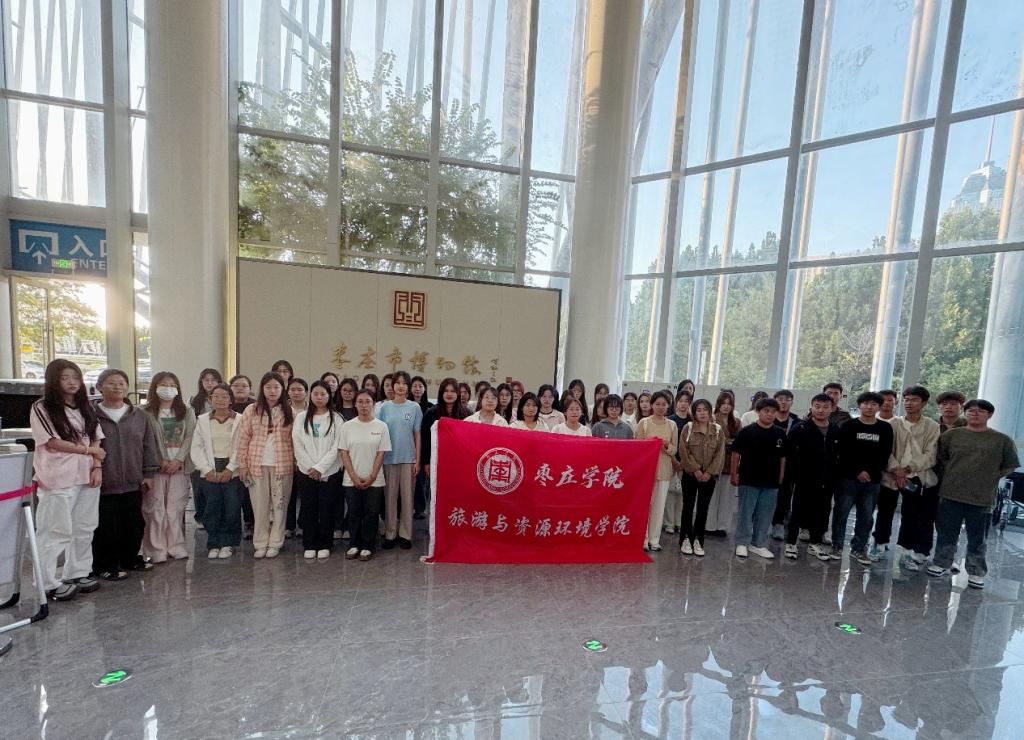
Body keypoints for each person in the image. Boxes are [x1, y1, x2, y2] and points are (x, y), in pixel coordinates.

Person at [30, 360, 105, 601]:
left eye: (75, 377)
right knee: (54, 530)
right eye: (65, 378)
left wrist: (97, 466)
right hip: (58, 477)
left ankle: (77, 572)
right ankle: (47, 583)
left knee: (84, 527)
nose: (72, 382)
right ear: (54, 380)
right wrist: (88, 451)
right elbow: (52, 441)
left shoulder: (85, 406)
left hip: (86, 474)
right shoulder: (42, 407)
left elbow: (96, 436)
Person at [926, 399, 1020, 589]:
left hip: (982, 497)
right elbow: (941, 458)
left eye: (980, 411)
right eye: (970, 410)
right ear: (965, 413)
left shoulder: (1001, 440)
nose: (974, 413)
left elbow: (1009, 465)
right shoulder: (952, 435)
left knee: (978, 537)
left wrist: (990, 476)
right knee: (946, 533)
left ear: (989, 414)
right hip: (951, 492)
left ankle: (976, 571)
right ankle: (942, 562)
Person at [92, 368, 160, 580]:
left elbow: (149, 445)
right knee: (106, 526)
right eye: (112, 383)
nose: (118, 387)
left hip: (133, 479)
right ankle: (105, 565)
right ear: (100, 387)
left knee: (134, 523)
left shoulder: (139, 415)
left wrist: (148, 473)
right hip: (104, 481)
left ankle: (130, 559)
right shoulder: (91, 415)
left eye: (122, 383)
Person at [870, 385, 940, 565]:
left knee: (911, 514)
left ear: (924, 403)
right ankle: (879, 544)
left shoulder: (932, 426)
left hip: (916, 477)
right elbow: (885, 451)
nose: (909, 403)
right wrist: (896, 470)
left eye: (914, 400)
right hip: (890, 476)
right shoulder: (892, 424)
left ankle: (906, 550)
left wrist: (908, 470)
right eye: (906, 399)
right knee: (885, 511)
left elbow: (931, 455)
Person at [828, 391, 894, 566]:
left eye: (873, 404)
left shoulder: (885, 428)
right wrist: (858, 471)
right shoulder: (849, 426)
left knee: (866, 516)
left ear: (879, 407)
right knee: (841, 513)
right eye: (865, 403)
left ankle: (859, 548)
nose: (869, 407)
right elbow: (843, 452)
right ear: (859, 406)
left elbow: (885, 453)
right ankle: (837, 545)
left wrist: (870, 472)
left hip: (872, 480)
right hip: (848, 478)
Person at [236, 372, 295, 559]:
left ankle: (276, 542)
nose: (272, 391)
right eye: (268, 387)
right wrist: (242, 465)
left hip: (283, 464)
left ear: (283, 389)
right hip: (256, 464)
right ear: (262, 388)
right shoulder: (251, 409)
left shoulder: (290, 411)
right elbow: (243, 438)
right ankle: (260, 542)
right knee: (259, 506)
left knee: (279, 505)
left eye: (276, 387)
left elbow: (295, 440)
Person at [143, 372, 196, 563]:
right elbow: (145, 440)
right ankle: (156, 549)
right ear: (155, 387)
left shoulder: (187, 411)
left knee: (175, 508)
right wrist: (161, 460)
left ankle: (176, 545)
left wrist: (178, 460)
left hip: (180, 467)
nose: (168, 388)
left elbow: (190, 436)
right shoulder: (145, 412)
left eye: (173, 385)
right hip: (156, 468)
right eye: (164, 384)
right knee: (155, 508)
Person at [292, 381, 345, 560]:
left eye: (323, 394)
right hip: (306, 471)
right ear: (310, 395)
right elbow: (297, 444)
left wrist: (320, 467)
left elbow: (337, 446)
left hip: (329, 471)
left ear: (329, 396)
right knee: (308, 507)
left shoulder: (336, 418)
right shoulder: (301, 417)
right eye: (316, 394)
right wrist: (311, 467)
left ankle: (325, 543)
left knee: (327, 508)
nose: (319, 397)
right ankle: (309, 543)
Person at [785, 394, 841, 560]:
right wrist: (792, 477)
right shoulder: (800, 428)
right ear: (811, 407)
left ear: (831, 409)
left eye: (825, 407)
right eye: (817, 406)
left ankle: (815, 543)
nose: (821, 410)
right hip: (804, 479)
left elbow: (839, 456)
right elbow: (789, 454)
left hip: (827, 480)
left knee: (822, 512)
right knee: (798, 511)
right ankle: (791, 543)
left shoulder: (835, 430)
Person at [191, 383, 243, 559]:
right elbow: (197, 447)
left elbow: (242, 445)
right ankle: (214, 542)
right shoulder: (202, 420)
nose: (220, 400)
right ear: (210, 399)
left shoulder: (240, 419)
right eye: (216, 396)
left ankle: (228, 543)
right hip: (210, 468)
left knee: (232, 507)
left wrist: (230, 468)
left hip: (232, 468)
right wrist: (206, 470)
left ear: (231, 400)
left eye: (224, 396)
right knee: (211, 507)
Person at [730, 397, 786, 560]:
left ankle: (758, 543)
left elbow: (783, 457)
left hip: (771, 481)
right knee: (745, 513)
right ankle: (742, 542)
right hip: (749, 479)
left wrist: (781, 476)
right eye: (766, 411)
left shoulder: (779, 433)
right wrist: (734, 474)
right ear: (758, 412)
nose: (770, 414)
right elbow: (735, 453)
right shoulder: (747, 431)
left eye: (773, 411)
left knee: (765, 514)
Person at [341, 389, 392, 561]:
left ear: (373, 404)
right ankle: (354, 544)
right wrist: (354, 476)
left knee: (371, 513)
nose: (364, 405)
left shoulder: (381, 426)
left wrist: (372, 476)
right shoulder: (347, 426)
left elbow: (381, 453)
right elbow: (343, 452)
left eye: (368, 401)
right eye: (360, 402)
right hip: (351, 479)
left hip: (374, 479)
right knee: (354, 512)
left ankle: (368, 545)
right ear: (355, 404)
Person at [377, 370, 423, 550]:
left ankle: (405, 535)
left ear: (408, 387)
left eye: (405, 383)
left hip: (408, 459)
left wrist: (417, 460)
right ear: (392, 385)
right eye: (398, 382)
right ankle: (390, 534)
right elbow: (379, 434)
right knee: (389, 498)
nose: (401, 386)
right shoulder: (384, 408)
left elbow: (417, 434)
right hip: (388, 459)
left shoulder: (414, 407)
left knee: (407, 499)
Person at [677, 399, 725, 556]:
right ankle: (685, 538)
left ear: (710, 411)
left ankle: (698, 540)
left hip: (709, 476)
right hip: (691, 475)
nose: (702, 413)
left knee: (703, 509)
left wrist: (709, 472)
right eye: (699, 410)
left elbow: (720, 454)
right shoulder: (688, 428)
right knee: (688, 506)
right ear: (694, 412)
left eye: (705, 410)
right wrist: (695, 469)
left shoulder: (717, 430)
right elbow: (683, 451)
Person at [635, 390, 677, 552]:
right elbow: (636, 446)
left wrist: (666, 445)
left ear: (668, 406)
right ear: (652, 405)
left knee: (659, 507)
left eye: (664, 404)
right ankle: (643, 538)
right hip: (646, 471)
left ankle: (654, 539)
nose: (660, 407)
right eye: (657, 404)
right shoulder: (644, 423)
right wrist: (649, 443)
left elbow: (674, 450)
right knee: (646, 505)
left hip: (664, 470)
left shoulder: (672, 425)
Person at [188, 368, 223, 527]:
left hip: (219, 448)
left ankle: (218, 516)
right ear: (201, 382)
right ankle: (200, 517)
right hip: (199, 448)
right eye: (206, 380)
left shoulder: (224, 398)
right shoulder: (194, 401)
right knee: (199, 485)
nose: (210, 383)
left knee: (218, 485)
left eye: (213, 380)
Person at [705, 391, 740, 536]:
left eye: (729, 404)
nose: (726, 407)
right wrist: (728, 442)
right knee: (712, 496)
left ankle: (722, 526)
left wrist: (728, 442)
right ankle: (709, 526)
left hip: (730, 463)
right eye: (723, 403)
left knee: (727, 497)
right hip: (714, 462)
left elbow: (739, 443)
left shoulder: (736, 422)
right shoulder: (712, 420)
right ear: (718, 405)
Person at [421, 378, 469, 479]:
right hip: (436, 460)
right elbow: (425, 440)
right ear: (441, 393)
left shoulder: (467, 414)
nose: (449, 394)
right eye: (446, 391)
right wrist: (426, 462)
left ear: (458, 393)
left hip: (459, 461)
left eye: (452, 391)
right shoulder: (431, 413)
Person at [770, 389, 799, 541]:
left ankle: (779, 523)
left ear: (792, 402)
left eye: (787, 399)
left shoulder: (797, 422)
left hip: (789, 465)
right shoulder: (768, 418)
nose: (783, 402)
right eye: (780, 399)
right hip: (769, 463)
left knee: (784, 496)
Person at [228, 374, 255, 537]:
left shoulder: (255, 407)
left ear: (250, 389)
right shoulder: (225, 405)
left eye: (244, 386)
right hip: (227, 455)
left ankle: (249, 522)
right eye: (236, 385)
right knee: (231, 494)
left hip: (249, 455)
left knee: (248, 493)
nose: (240, 388)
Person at [665, 391, 693, 535]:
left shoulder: (692, 421)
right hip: (671, 461)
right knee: (670, 493)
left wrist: (685, 462)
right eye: (680, 401)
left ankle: (679, 522)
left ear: (690, 404)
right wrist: (674, 460)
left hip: (687, 463)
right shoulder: (670, 420)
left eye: (686, 401)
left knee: (684, 494)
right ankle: (669, 523)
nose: (683, 404)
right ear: (676, 402)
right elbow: (668, 443)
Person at [284, 377, 309, 536]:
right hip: (286, 456)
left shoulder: (313, 410)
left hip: (307, 457)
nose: (296, 392)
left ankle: (303, 524)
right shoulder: (282, 410)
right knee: (288, 493)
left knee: (306, 494)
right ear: (288, 392)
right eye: (292, 389)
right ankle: (289, 526)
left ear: (306, 392)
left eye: (300, 389)